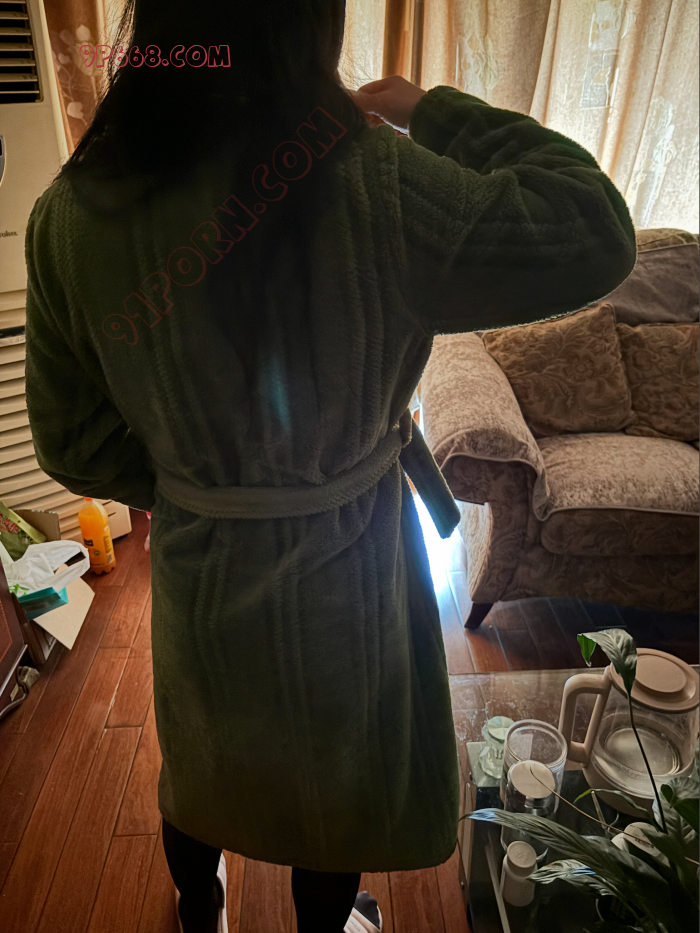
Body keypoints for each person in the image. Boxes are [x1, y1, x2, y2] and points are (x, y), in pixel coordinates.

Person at [23, 2, 636, 931]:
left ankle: (198, 911)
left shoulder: (72, 216)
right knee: (336, 781)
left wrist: (199, 491)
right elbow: (593, 226)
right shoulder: (380, 184)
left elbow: (71, 442)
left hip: (202, 562)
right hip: (347, 564)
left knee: (202, 758)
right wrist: (430, 110)